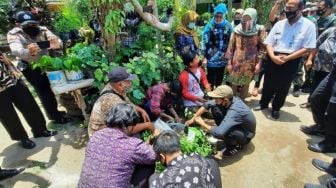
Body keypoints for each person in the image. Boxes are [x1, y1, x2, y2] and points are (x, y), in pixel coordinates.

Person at [254, 0, 317, 119]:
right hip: (273, 56)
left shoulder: (309, 25)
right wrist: (272, 56)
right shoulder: (280, 24)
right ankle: (263, 104)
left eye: (291, 8)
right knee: (268, 83)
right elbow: (269, 43)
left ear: (300, 9)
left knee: (283, 86)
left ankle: (276, 108)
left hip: (291, 59)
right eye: (286, 7)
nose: (287, 10)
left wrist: (287, 58)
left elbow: (307, 47)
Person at [7, 11, 71, 124]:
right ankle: (55, 116)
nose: (31, 27)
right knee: (44, 91)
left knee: (56, 87)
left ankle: (54, 112)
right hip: (31, 66)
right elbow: (16, 51)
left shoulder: (43, 29)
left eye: (33, 24)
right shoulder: (14, 34)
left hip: (47, 63)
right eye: (27, 25)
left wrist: (56, 42)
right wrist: (29, 51)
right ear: (18, 25)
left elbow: (58, 42)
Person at [79, 103, 156, 188]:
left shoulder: (96, 135)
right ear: (129, 125)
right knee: (147, 165)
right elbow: (153, 156)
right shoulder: (132, 145)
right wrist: (154, 139)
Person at [0, 53, 57, 149]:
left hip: (10, 77)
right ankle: (22, 138)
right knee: (7, 114)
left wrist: (8, 63)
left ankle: (40, 130)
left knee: (28, 103)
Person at [185, 85, 256, 155]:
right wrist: (193, 119)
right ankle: (224, 130)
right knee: (215, 108)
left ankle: (234, 146)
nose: (215, 100)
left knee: (220, 132)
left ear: (225, 100)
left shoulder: (235, 110)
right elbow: (207, 104)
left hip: (245, 135)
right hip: (238, 126)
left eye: (216, 99)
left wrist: (202, 123)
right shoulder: (230, 99)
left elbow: (218, 133)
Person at [88, 66, 152, 136]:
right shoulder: (112, 100)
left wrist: (142, 111)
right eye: (128, 81)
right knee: (134, 137)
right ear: (120, 84)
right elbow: (127, 129)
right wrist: (148, 125)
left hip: (108, 125)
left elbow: (127, 103)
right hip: (100, 135)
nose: (130, 83)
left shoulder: (114, 87)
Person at [149, 130, 221, 188]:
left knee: (152, 178)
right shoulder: (199, 158)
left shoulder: (160, 182)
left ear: (162, 157)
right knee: (212, 162)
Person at [300, 27, 336, 136]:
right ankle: (321, 126)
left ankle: (330, 133)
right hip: (321, 69)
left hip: (331, 71)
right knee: (315, 98)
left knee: (331, 105)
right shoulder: (330, 31)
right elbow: (316, 44)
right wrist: (310, 59)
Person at [300, 0, 336, 107]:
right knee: (314, 77)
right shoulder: (317, 19)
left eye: (321, 8)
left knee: (325, 83)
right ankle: (311, 100)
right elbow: (317, 39)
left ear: (329, 8)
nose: (318, 10)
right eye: (318, 7)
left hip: (330, 63)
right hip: (317, 54)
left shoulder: (332, 21)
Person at [226, 8, 266, 100]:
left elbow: (262, 48)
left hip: (251, 63)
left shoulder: (259, 29)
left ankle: (241, 103)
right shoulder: (236, 30)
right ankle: (233, 104)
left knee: (246, 84)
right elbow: (230, 47)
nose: (246, 21)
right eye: (244, 19)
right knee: (234, 83)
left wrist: (259, 64)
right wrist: (228, 63)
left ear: (254, 19)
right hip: (236, 63)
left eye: (249, 19)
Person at [305, 58, 336, 153]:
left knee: (333, 109)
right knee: (316, 98)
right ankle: (322, 127)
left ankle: (331, 144)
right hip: (334, 72)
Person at [203, 3, 233, 88]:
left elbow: (231, 40)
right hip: (211, 56)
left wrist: (229, 52)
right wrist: (204, 56)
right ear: (214, 15)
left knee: (219, 80)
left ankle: (218, 97)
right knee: (211, 79)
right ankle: (211, 96)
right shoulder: (209, 25)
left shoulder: (228, 25)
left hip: (223, 57)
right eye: (216, 16)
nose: (218, 18)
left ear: (223, 16)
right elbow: (204, 40)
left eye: (220, 16)